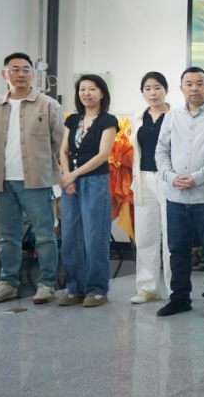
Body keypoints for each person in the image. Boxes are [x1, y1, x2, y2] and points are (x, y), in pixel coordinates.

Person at [0, 53, 64, 305]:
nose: (21, 74)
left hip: (37, 181)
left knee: (44, 235)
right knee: (8, 237)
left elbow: (59, 144)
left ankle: (47, 283)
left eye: (26, 69)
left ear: (33, 73)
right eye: (15, 69)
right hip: (3, 181)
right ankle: (8, 283)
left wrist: (52, 173)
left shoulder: (48, 105)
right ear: (4, 74)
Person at [155, 67, 204, 318]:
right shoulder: (172, 116)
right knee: (177, 249)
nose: (194, 88)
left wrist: (197, 178)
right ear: (181, 88)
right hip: (176, 196)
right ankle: (179, 298)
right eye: (189, 83)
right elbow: (161, 151)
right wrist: (170, 177)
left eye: (200, 83)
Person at [57, 74, 119, 307]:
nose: (86, 93)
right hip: (70, 183)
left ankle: (97, 290)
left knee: (95, 236)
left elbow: (103, 155)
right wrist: (67, 177)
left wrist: (73, 175)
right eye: (82, 89)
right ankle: (75, 289)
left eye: (92, 89)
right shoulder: (72, 120)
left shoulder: (108, 120)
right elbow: (63, 151)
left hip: (94, 181)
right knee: (70, 236)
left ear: (102, 93)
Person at [129, 71, 173, 304]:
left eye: (157, 88)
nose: (153, 93)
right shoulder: (138, 117)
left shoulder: (176, 116)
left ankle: (176, 290)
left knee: (172, 238)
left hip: (169, 181)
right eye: (147, 88)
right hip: (143, 180)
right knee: (145, 236)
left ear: (166, 90)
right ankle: (148, 289)